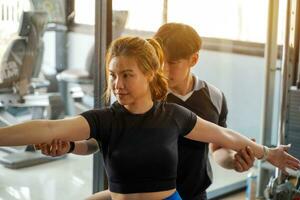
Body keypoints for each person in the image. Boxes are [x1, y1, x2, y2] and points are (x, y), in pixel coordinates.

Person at [2, 36, 299, 200]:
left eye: (127, 75)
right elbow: (49, 127)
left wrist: (266, 153)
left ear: (148, 76)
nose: (118, 84)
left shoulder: (174, 116)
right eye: (113, 75)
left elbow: (226, 137)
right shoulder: (105, 119)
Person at [40, 23, 257, 200]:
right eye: (161, 61)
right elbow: (100, 141)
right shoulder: (143, 96)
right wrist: (70, 146)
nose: (164, 69)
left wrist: (233, 161)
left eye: (173, 63)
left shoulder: (214, 97)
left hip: (193, 195)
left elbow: (217, 148)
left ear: (194, 59)